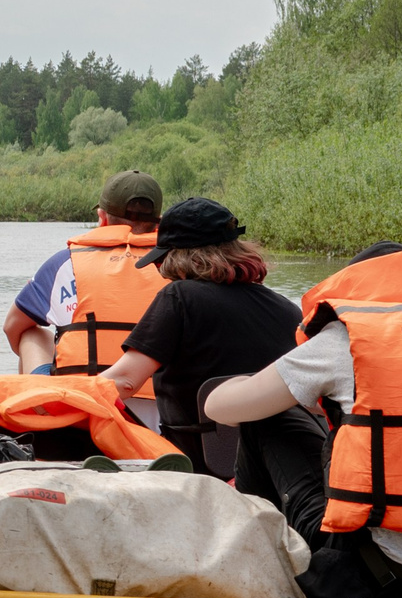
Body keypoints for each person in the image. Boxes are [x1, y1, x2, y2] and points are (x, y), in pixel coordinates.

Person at [198, 242, 402, 598]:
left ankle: (260, 568)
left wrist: (309, 394)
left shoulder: (345, 339)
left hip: (374, 573)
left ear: (354, 287)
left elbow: (220, 408)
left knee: (266, 418)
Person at [94, 197, 299, 485]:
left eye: (161, 259)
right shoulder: (288, 310)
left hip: (198, 474)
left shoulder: (179, 297)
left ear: (179, 257)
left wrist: (59, 395)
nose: (161, 269)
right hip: (275, 475)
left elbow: (123, 382)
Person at [4, 170, 165, 387]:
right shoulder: (183, 266)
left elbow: (12, 325)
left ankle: (39, 401)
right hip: (162, 410)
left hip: (82, 406)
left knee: (31, 334)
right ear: (160, 224)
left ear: (102, 218)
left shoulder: (64, 263)